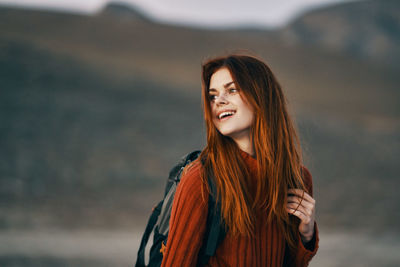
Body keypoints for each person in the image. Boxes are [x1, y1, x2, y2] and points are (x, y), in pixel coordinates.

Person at [161, 54, 319, 266]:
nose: (219, 101)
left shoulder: (297, 179)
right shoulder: (200, 181)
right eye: (212, 96)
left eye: (232, 90)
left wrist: (305, 235)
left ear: (262, 95)